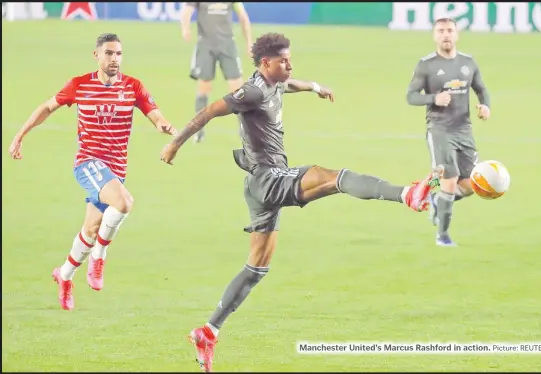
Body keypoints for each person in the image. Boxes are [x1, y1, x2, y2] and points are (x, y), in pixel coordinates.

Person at [160, 33, 444, 372]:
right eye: (283, 61)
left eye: (290, 59)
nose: (289, 64)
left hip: (260, 184)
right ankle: (406, 194)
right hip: (268, 180)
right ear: (266, 64)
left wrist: (314, 86)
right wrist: (174, 144)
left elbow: (287, 84)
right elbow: (208, 111)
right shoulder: (250, 92)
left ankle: (209, 330)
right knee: (332, 176)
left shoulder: (274, 81)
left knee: (257, 268)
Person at [7, 33, 177, 311]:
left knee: (91, 228)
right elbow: (47, 107)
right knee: (124, 203)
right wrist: (20, 135)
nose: (114, 59)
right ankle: (99, 255)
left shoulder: (133, 86)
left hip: (115, 169)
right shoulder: (80, 85)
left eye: (119, 54)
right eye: (109, 53)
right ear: (96, 55)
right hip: (88, 163)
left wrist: (163, 124)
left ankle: (64, 275)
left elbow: (154, 112)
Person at [406, 17, 491, 247]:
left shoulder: (468, 63)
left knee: (474, 183)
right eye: (441, 30)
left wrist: (485, 107)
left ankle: (436, 200)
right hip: (439, 130)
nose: (446, 34)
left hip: (464, 130)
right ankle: (442, 236)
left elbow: (482, 90)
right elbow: (411, 96)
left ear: (456, 34)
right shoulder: (426, 65)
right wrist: (434, 98)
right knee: (450, 180)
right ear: (435, 35)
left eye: (450, 30)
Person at [180, 2, 253, 143]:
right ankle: (198, 131)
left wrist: (249, 41)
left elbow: (243, 16)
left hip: (227, 45)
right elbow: (186, 11)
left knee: (237, 88)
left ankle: (246, 129)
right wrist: (185, 28)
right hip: (206, 46)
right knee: (204, 88)